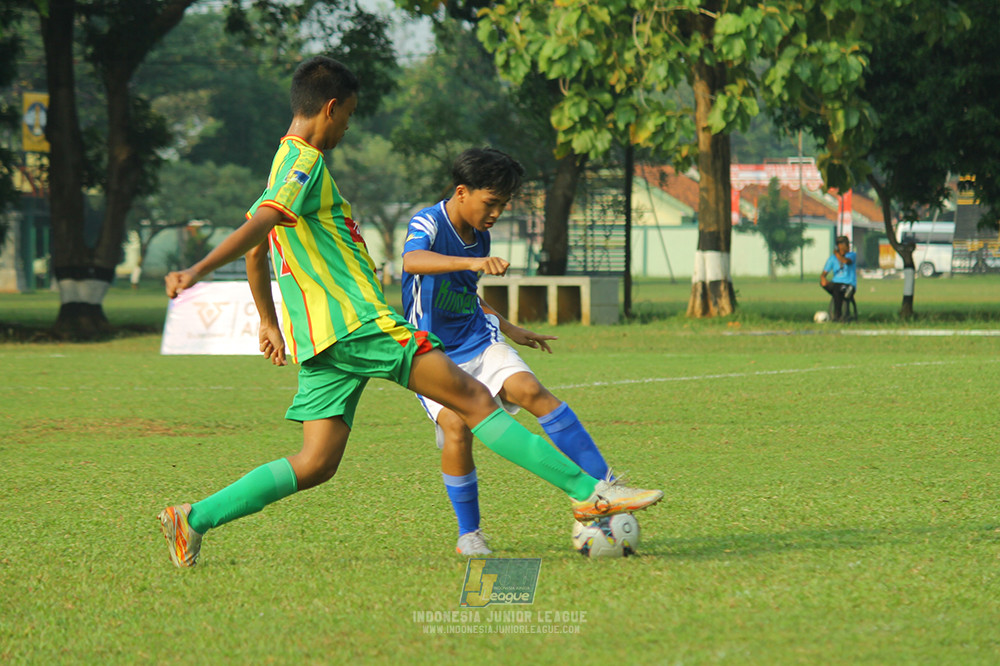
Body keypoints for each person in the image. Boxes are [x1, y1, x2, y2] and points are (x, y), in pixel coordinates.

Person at [157, 57, 662, 568]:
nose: (348, 127)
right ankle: (587, 492)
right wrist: (197, 270)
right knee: (472, 397)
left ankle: (192, 518)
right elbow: (261, 225)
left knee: (315, 463)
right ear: (330, 108)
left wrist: (268, 320)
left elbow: (258, 246)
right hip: (355, 323)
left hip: (322, 341)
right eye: (349, 116)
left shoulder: (281, 162)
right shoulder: (304, 161)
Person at [401, 147, 647, 556]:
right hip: (433, 354)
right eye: (490, 202)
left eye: (503, 204)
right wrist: (475, 262)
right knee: (458, 430)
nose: (496, 212)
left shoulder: (479, 233)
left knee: (533, 392)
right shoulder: (428, 221)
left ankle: (605, 485)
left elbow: (466, 294)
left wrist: (509, 327)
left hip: (479, 340)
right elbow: (412, 261)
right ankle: (470, 535)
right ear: (462, 192)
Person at [820, 235, 857, 321]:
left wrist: (837, 254)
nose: (847, 246)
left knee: (838, 289)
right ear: (839, 246)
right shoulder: (832, 259)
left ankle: (838, 315)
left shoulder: (852, 255)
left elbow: (846, 261)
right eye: (845, 244)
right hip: (836, 283)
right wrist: (823, 279)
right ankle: (838, 315)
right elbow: (824, 273)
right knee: (835, 288)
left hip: (848, 284)